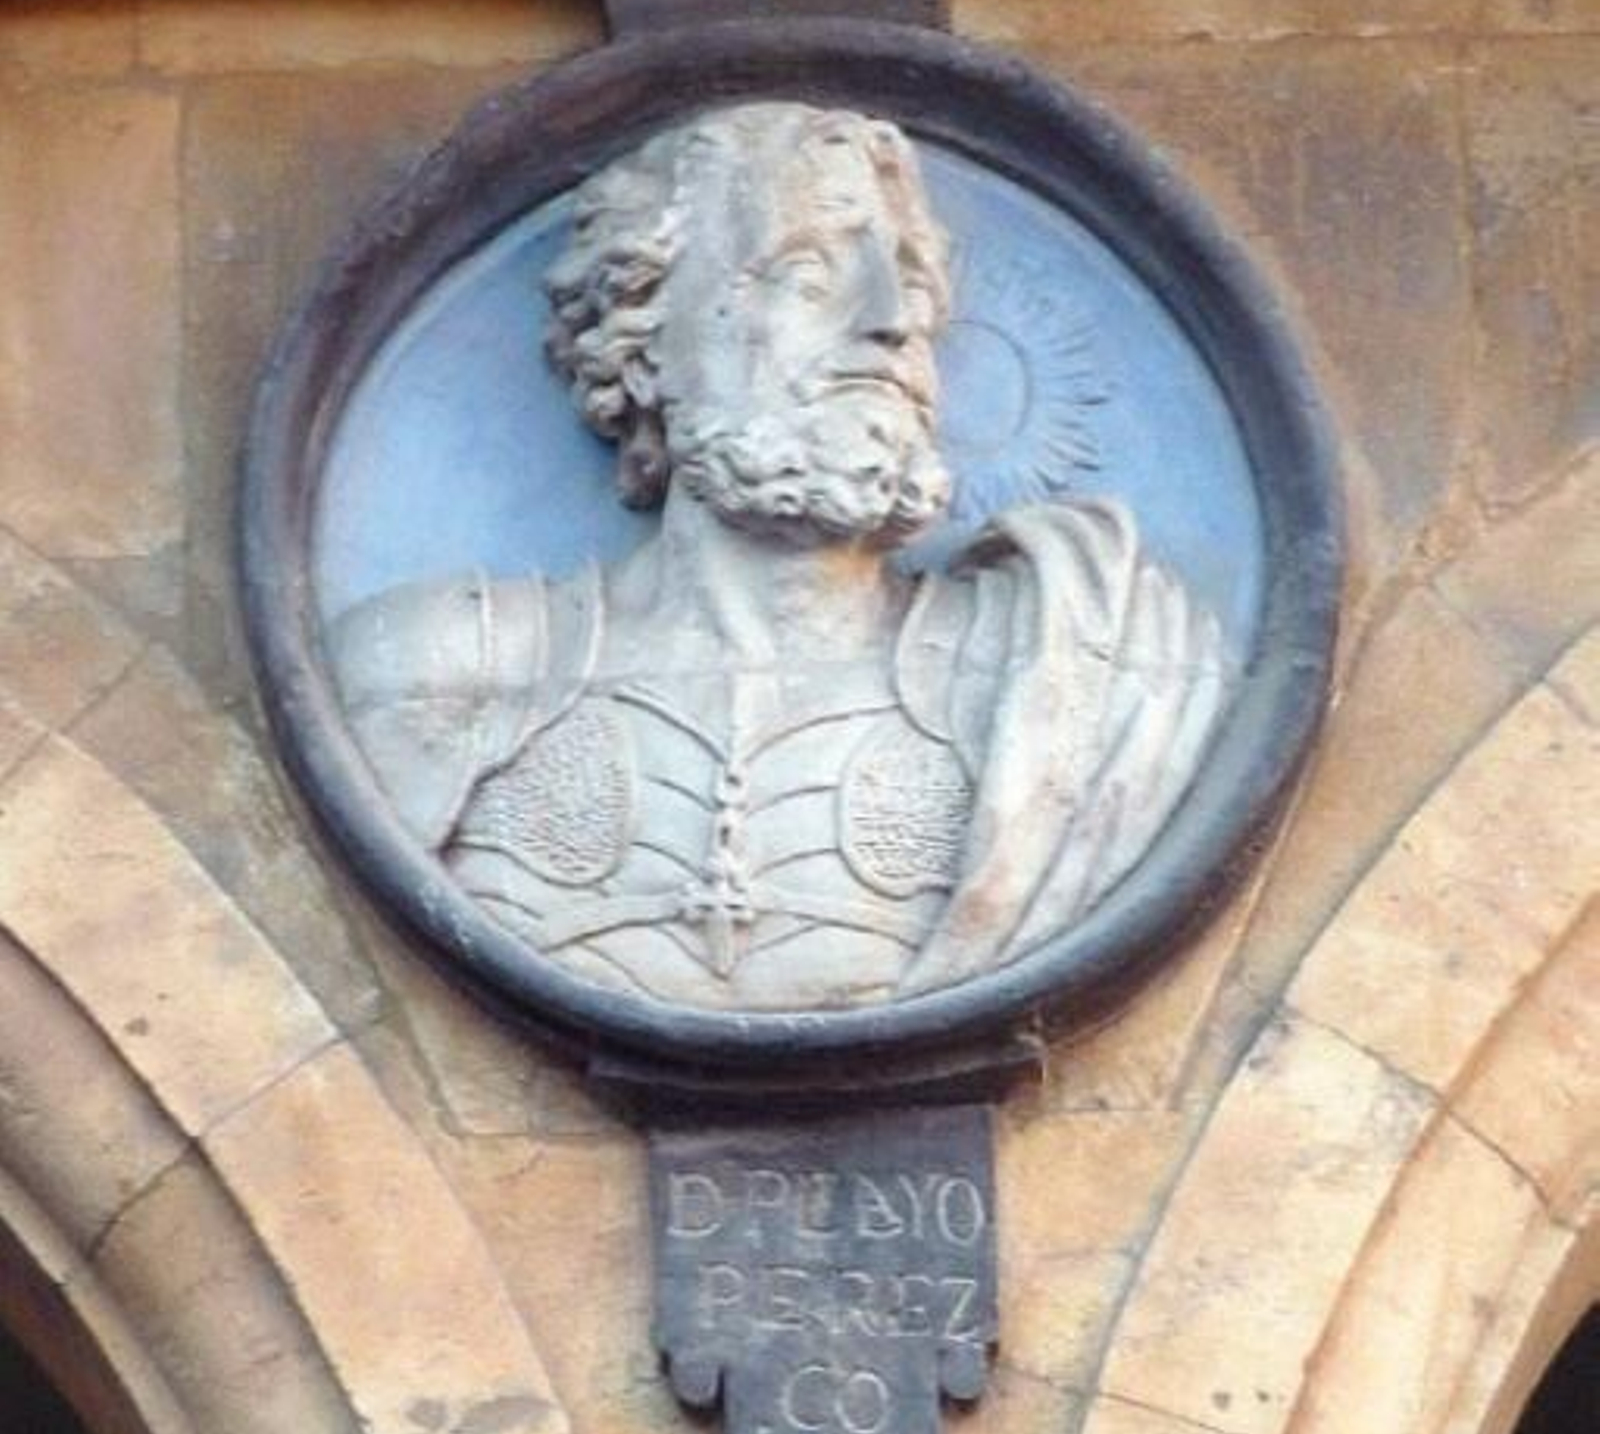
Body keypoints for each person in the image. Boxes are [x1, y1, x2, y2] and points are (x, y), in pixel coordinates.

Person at [332, 102, 1229, 1011]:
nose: (890, 323)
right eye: (807, 275)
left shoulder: (1087, 663)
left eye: (910, 282)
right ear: (642, 344)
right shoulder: (444, 666)